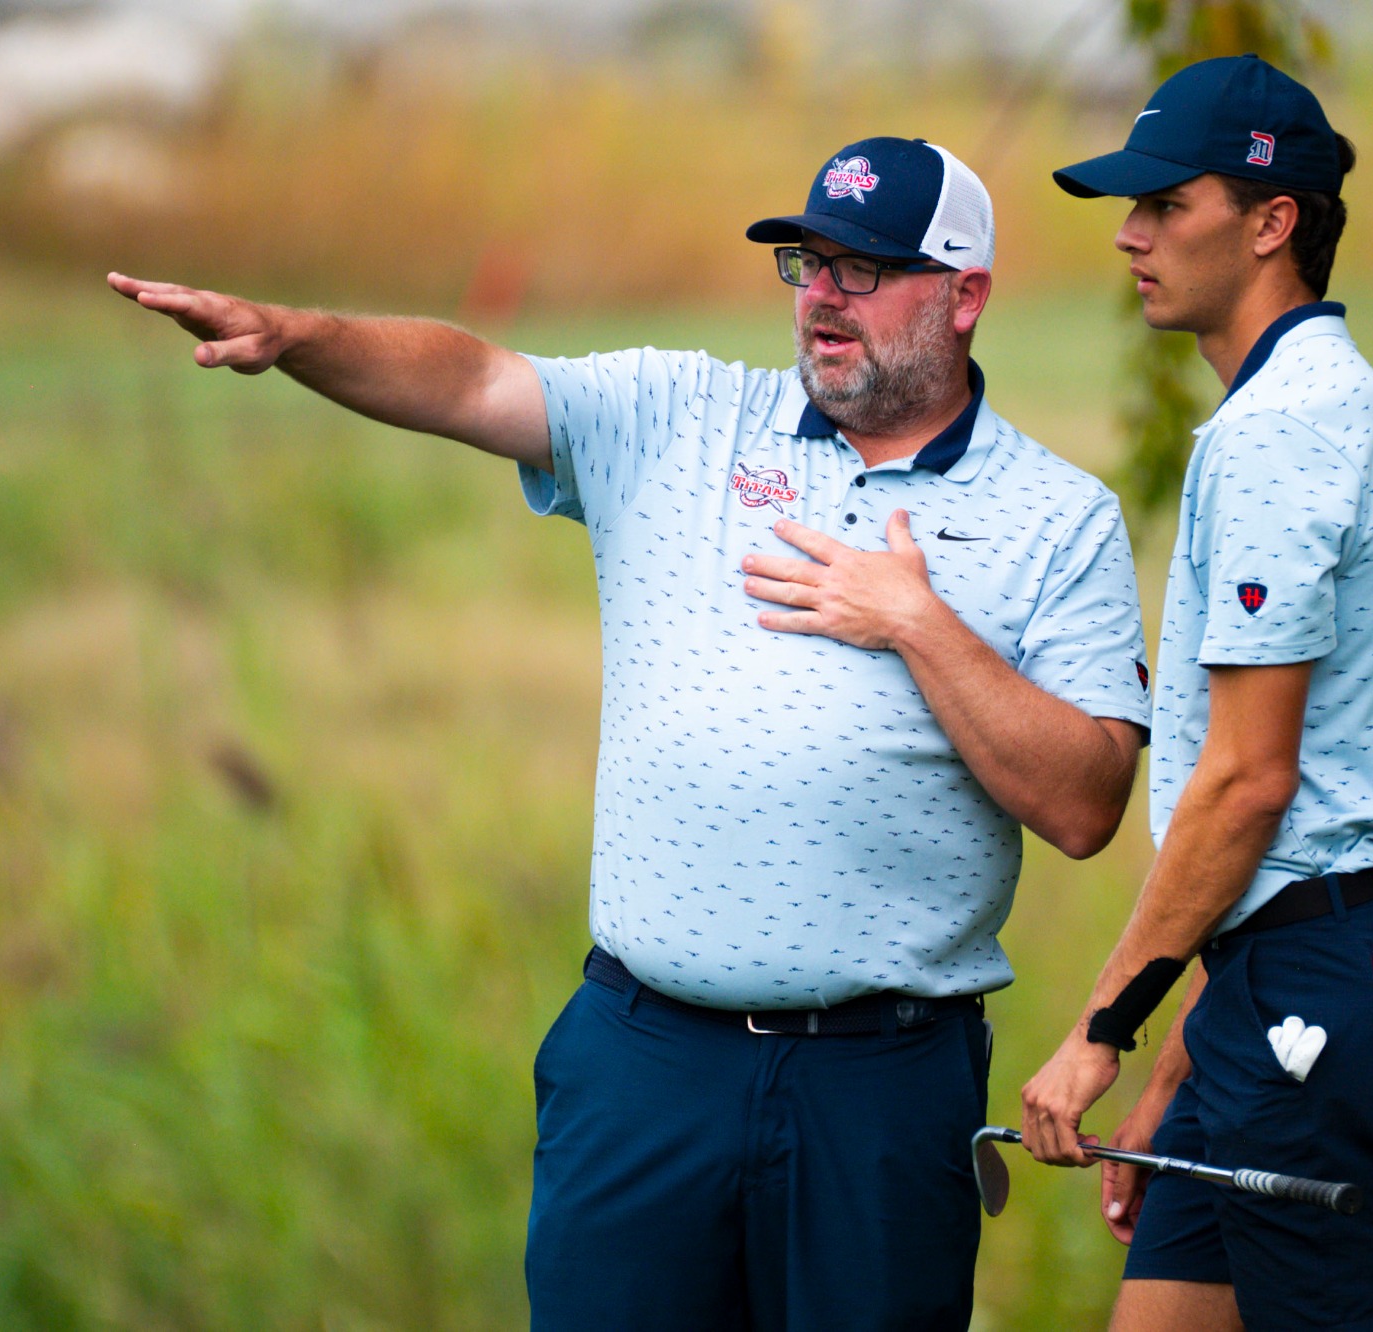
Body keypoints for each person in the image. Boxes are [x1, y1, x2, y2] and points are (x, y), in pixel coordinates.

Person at [109, 135, 1152, 1331]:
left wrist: (917, 623)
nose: (820, 297)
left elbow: (1082, 804)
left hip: (879, 1082)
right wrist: (300, 337)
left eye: (860, 271)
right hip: (646, 1062)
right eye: (806, 264)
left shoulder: (1057, 516)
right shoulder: (685, 414)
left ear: (964, 296)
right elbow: (468, 381)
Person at [1017, 57, 1373, 1331]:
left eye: (1168, 204)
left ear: (1272, 220)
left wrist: (1104, 1030)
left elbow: (1248, 781)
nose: (1129, 234)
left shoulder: (1282, 430)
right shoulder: (1321, 408)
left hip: (1328, 999)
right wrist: (1189, 1055)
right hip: (1277, 991)